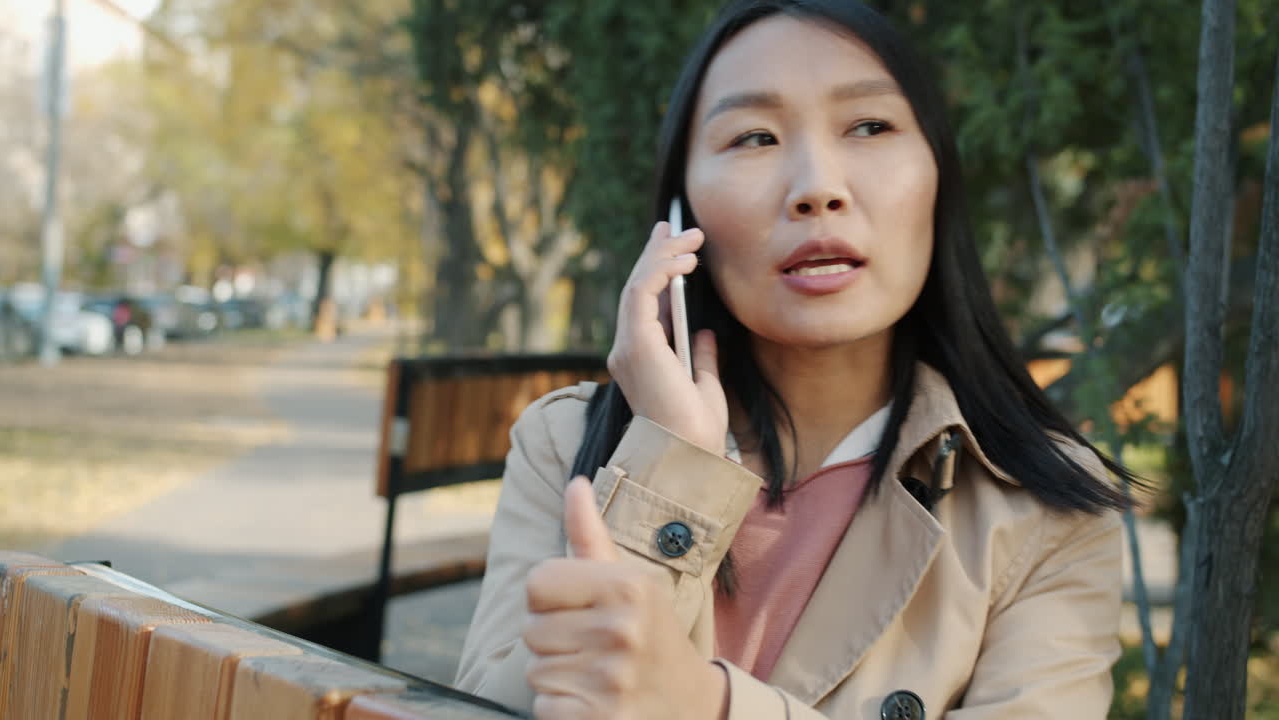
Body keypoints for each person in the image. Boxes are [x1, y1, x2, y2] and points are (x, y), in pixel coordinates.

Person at [455, 1, 1133, 718]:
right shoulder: (564, 446)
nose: (817, 187)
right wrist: (671, 463)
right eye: (754, 137)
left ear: (938, 178)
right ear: (683, 216)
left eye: (870, 126)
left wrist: (706, 704)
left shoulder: (1047, 511)